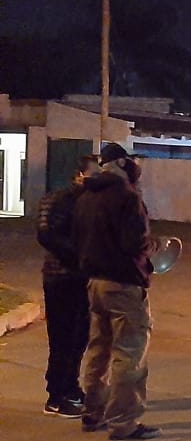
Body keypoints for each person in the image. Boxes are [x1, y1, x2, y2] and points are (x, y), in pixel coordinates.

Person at [73, 143, 160, 441]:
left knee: (98, 348)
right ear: (122, 164)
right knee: (129, 352)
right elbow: (135, 243)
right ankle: (124, 422)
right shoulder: (126, 197)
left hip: (94, 283)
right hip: (123, 284)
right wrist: (152, 250)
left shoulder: (86, 195)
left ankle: (92, 410)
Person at [36, 154, 99, 417]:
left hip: (79, 277)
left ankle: (69, 387)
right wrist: (79, 257)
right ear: (79, 174)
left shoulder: (86, 201)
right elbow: (47, 234)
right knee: (63, 337)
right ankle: (56, 395)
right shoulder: (61, 199)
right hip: (62, 277)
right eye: (94, 174)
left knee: (78, 337)